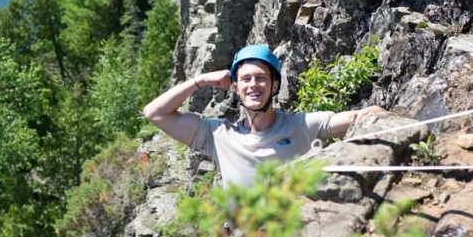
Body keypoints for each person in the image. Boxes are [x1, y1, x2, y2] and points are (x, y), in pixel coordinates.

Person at [142, 45, 385, 187]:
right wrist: (201, 80)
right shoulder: (218, 135)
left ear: (275, 86)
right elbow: (155, 113)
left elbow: (362, 118)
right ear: (235, 87)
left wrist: (385, 116)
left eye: (261, 78)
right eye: (245, 79)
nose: (253, 85)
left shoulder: (301, 125)